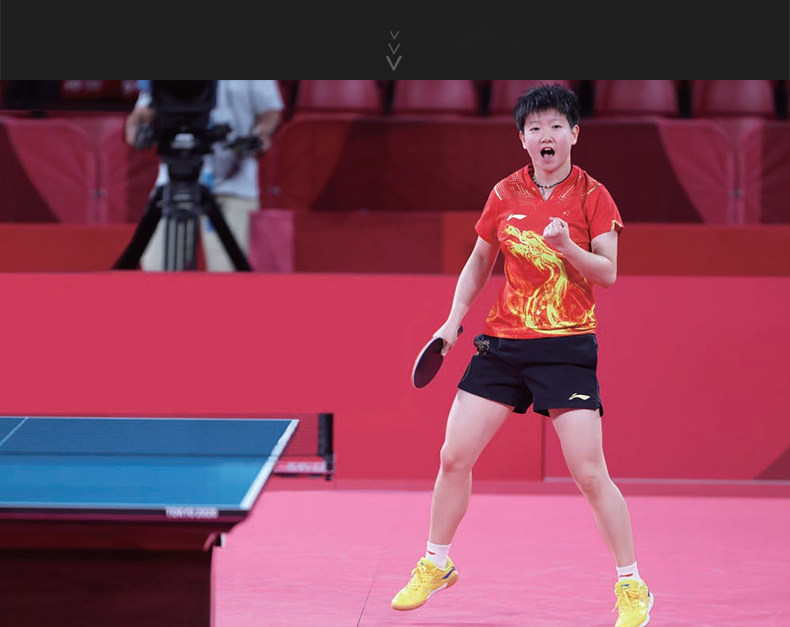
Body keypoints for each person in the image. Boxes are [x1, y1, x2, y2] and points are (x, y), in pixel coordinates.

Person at [390, 83, 654, 627]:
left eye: (556, 126)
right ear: (523, 139)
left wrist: (567, 247)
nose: (545, 135)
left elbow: (608, 273)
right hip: (504, 344)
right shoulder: (505, 192)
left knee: (589, 474)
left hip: (566, 346)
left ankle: (632, 584)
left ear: (574, 134)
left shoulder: (593, 196)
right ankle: (436, 563)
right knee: (453, 456)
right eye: (535, 128)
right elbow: (479, 260)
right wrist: (453, 319)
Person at [124, 80, 284, 271]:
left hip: (234, 185)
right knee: (157, 270)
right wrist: (138, 129)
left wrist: (260, 134)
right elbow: (141, 114)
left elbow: (270, 112)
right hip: (175, 184)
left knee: (228, 276)